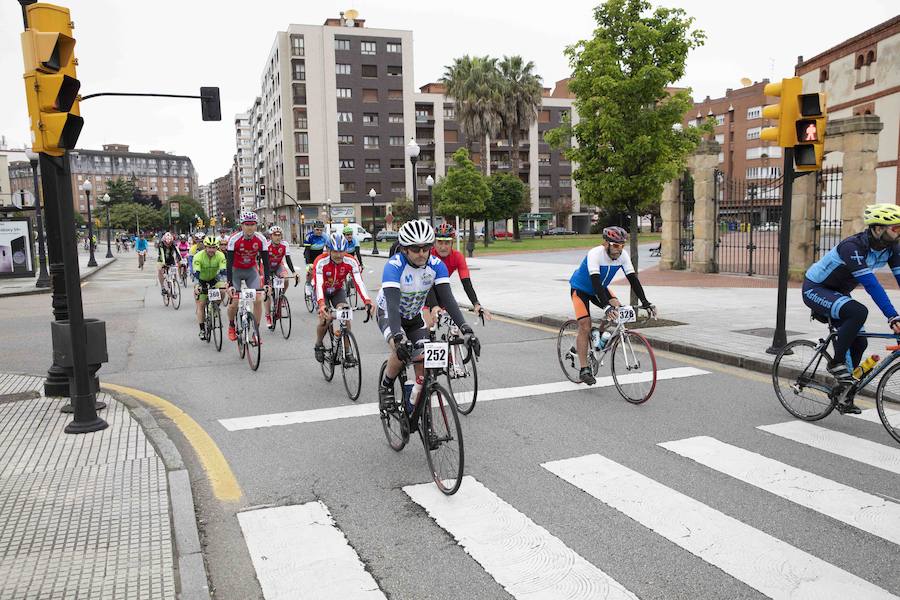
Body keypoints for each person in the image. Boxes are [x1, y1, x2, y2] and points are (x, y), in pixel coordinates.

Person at [802, 204, 900, 414]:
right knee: (858, 311)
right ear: (878, 228)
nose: (899, 232)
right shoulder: (852, 247)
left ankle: (844, 392)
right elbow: (872, 285)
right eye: (896, 228)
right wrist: (892, 316)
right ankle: (836, 363)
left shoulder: (892, 248)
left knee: (860, 342)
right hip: (816, 289)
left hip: (839, 293)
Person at [377, 220, 480, 411]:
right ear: (405, 249)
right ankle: (386, 386)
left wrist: (466, 329)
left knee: (423, 364)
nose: (422, 253)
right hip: (390, 313)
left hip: (414, 317)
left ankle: (416, 402)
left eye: (426, 248)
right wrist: (399, 338)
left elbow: (447, 299)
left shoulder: (436, 265)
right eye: (416, 249)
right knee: (400, 351)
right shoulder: (394, 266)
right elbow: (391, 304)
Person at [568, 226, 655, 386]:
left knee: (618, 310)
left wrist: (646, 302)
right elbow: (595, 283)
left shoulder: (623, 256)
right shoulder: (595, 254)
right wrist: (605, 306)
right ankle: (584, 369)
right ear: (606, 243)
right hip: (581, 289)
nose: (618, 250)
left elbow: (633, 280)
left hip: (600, 288)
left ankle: (598, 337)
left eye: (621, 246)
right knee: (585, 325)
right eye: (615, 245)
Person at [311, 233, 374, 363]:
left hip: (337, 290)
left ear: (346, 250)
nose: (339, 255)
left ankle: (348, 351)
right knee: (325, 319)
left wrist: (367, 301)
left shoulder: (350, 261)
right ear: (328, 250)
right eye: (335, 251)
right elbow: (318, 284)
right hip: (321, 290)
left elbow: (358, 282)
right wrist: (322, 304)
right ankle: (318, 344)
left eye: (342, 251)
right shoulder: (320, 261)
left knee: (345, 314)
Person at [424, 223, 490, 326]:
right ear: (434, 243)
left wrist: (476, 304)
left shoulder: (457, 257)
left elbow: (466, 282)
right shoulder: (428, 255)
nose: (443, 247)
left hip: (442, 292)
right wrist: (434, 306)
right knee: (429, 325)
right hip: (425, 292)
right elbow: (428, 284)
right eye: (439, 243)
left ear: (452, 243)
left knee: (457, 329)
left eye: (447, 243)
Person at [226, 212, 271, 342]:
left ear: (256, 225)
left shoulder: (261, 239)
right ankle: (232, 325)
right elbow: (229, 264)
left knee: (258, 299)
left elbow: (266, 263)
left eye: (252, 224)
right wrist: (229, 284)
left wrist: (267, 283)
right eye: (247, 224)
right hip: (235, 270)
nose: (250, 227)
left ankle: (256, 332)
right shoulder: (234, 239)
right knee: (234, 302)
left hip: (251, 270)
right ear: (242, 225)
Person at [192, 236, 228, 338]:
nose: (211, 250)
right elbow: (196, 273)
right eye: (209, 247)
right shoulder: (198, 256)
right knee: (201, 304)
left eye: (214, 247)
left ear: (217, 247)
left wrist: (226, 282)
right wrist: (197, 286)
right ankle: (202, 329)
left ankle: (215, 306)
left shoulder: (220, 255)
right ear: (205, 247)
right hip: (201, 279)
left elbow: (223, 271)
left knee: (222, 291)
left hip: (214, 279)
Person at [264, 225, 299, 328]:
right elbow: (262, 262)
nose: (278, 237)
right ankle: (268, 316)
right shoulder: (266, 245)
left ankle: (281, 296)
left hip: (278, 265)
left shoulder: (285, 245)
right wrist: (266, 278)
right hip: (267, 267)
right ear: (271, 236)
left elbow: (288, 259)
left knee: (286, 279)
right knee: (268, 292)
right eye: (275, 235)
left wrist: (294, 272)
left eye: (280, 235)